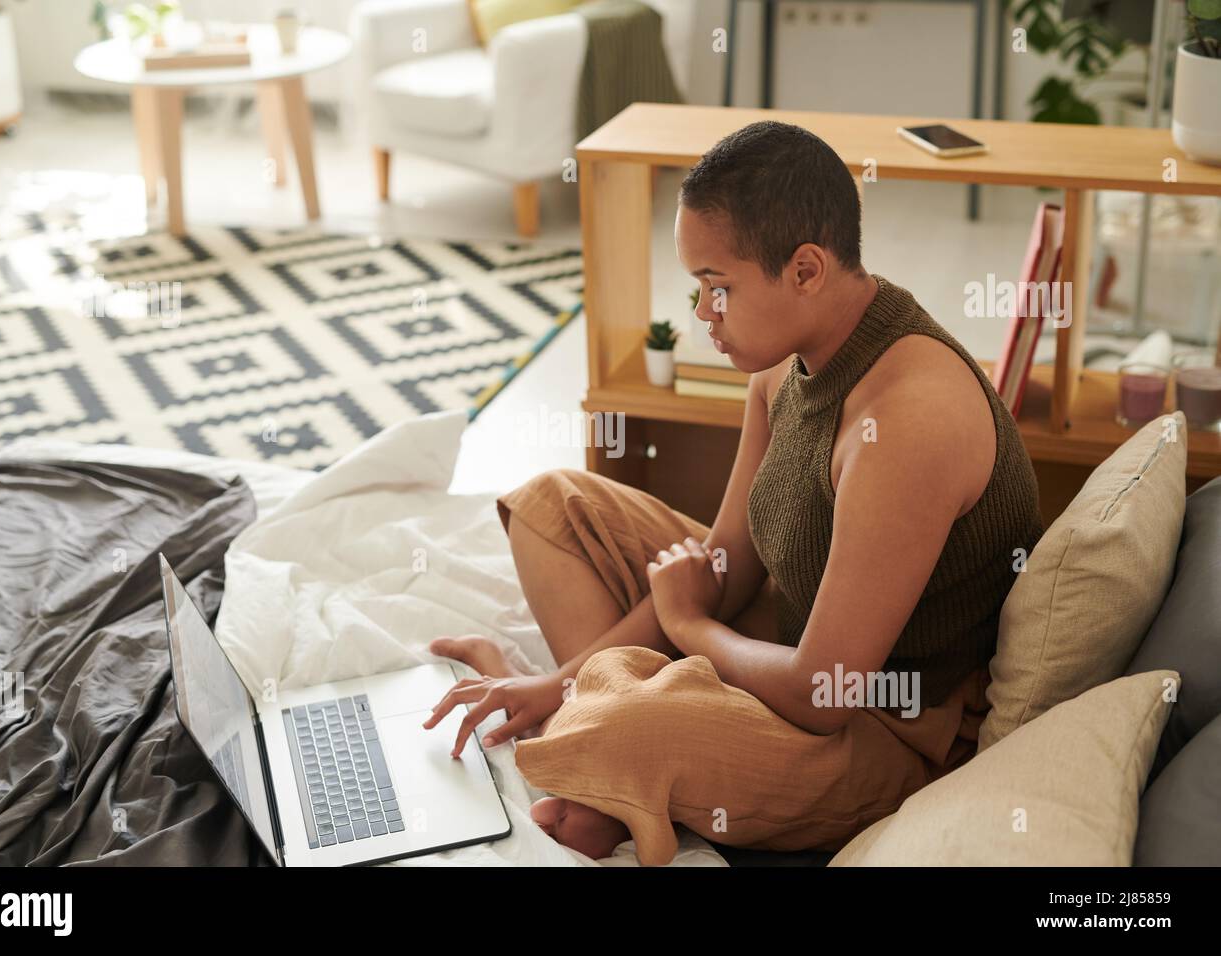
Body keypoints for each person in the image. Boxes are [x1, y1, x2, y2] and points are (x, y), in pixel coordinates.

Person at [423, 121, 1045, 865]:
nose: (702, 315)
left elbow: (824, 693)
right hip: (785, 631)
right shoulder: (783, 362)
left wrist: (688, 631)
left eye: (718, 288)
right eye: (698, 288)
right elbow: (723, 564)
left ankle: (604, 755)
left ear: (807, 270)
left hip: (881, 727)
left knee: (635, 728)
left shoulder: (908, 424)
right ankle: (594, 738)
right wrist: (557, 682)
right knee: (551, 506)